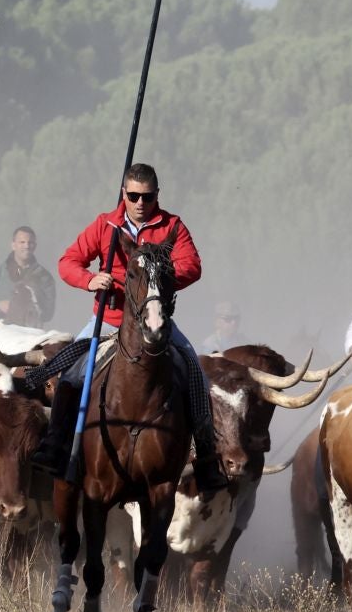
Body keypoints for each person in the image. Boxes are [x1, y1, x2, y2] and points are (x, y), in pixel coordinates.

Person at [31, 162, 228, 494]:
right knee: (70, 376)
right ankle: (55, 445)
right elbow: (68, 262)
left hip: (153, 319)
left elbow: (191, 265)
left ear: (156, 195)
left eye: (147, 196)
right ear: (124, 193)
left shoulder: (172, 226)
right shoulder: (104, 225)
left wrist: (156, 280)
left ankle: (207, 458)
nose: (140, 203)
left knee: (195, 371)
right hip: (107, 319)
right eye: (134, 195)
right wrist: (91, 279)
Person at [0, 225, 55, 325]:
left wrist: (32, 307)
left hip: (31, 333)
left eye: (30, 242)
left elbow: (48, 313)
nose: (26, 246)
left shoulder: (44, 277)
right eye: (22, 242)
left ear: (35, 246)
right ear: (13, 245)